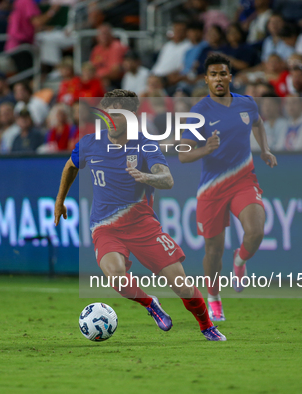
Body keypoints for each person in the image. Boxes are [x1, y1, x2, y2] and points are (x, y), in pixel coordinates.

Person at [54, 89, 226, 341]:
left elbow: (167, 179)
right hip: (105, 227)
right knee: (114, 274)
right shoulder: (90, 143)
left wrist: (146, 176)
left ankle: (206, 325)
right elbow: (71, 165)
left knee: (181, 284)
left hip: (143, 227)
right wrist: (60, 200)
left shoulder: (145, 144)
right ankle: (150, 304)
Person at [178, 53, 277, 321]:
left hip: (244, 180)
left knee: (256, 232)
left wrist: (265, 150)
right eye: (213, 75)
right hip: (212, 188)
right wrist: (205, 149)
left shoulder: (247, 104)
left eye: (223, 74)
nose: (219, 79)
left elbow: (257, 124)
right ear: (206, 79)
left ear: (230, 77)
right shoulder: (199, 112)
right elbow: (183, 155)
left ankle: (240, 260)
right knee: (213, 251)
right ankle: (214, 298)